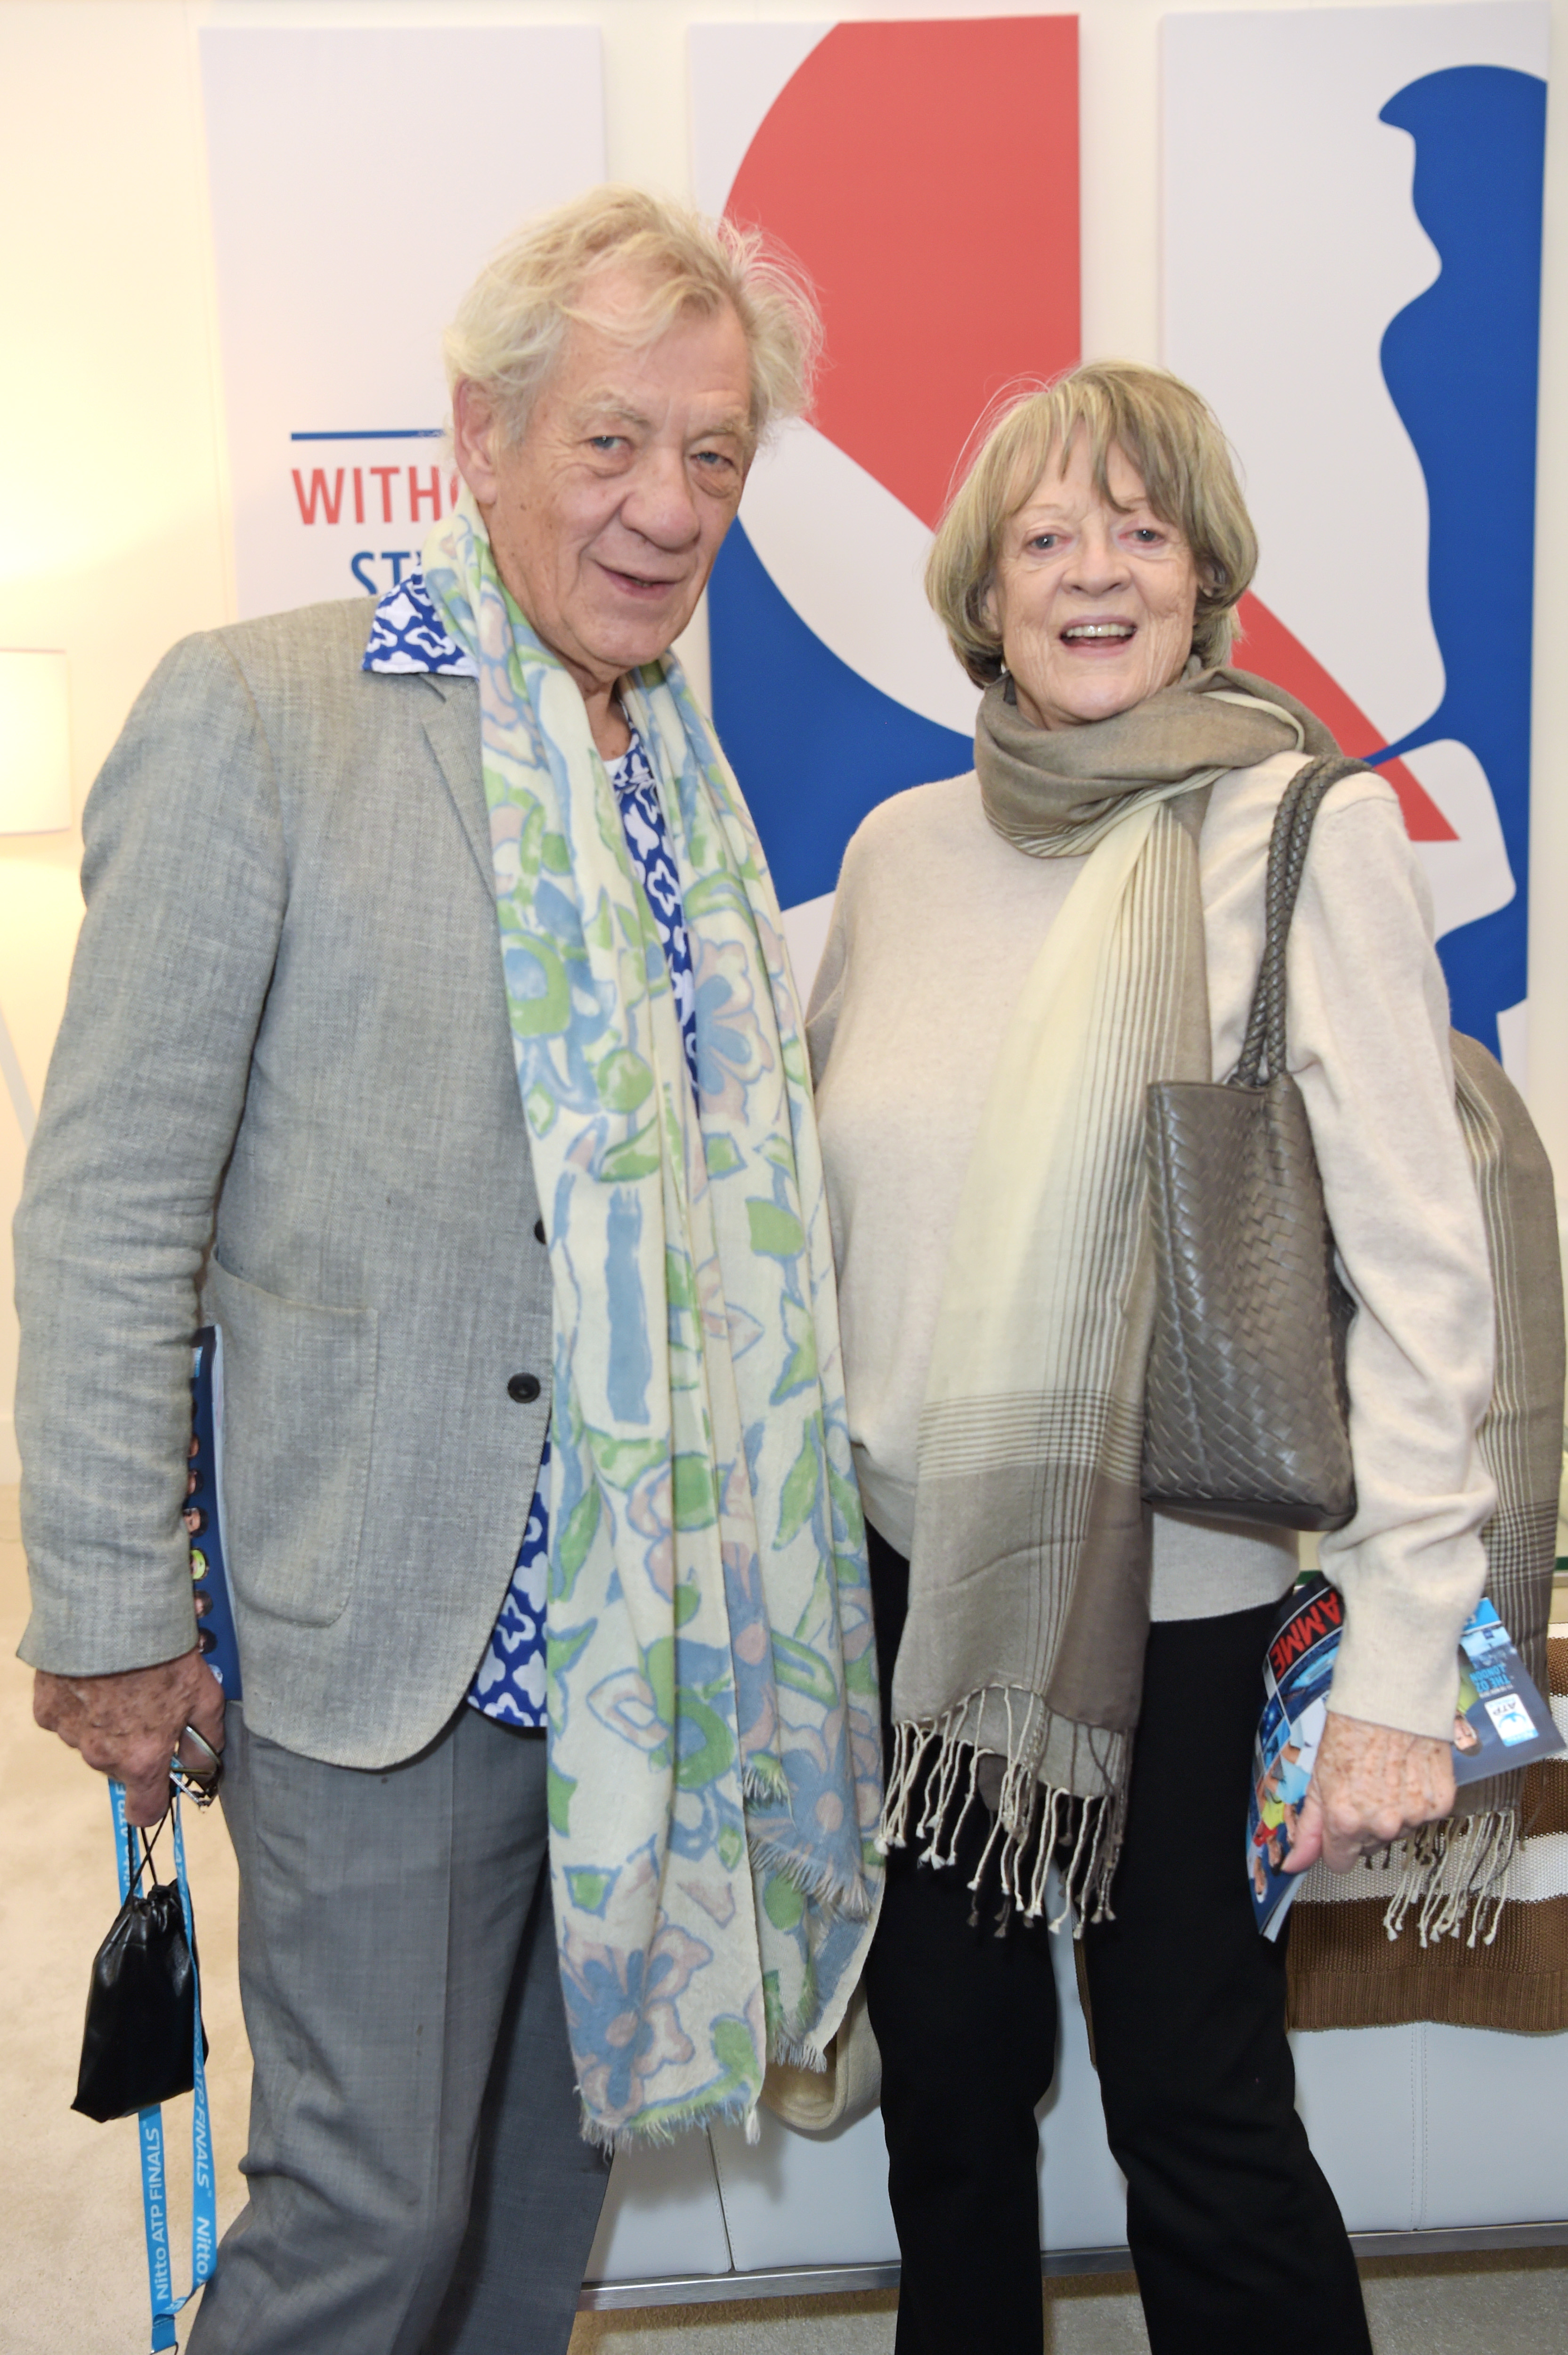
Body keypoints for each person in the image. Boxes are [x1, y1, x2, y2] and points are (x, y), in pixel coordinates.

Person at [17, 187, 880, 2355]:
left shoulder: (685, 777)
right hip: (384, 1641)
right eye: (609, 440)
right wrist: (112, 1610)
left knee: (518, 2242)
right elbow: (110, 1200)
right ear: (476, 434)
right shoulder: (265, 711)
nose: (662, 503)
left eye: (709, 454)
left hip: (638, 1655)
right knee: (367, 2229)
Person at [806, 360, 1495, 2354]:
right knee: (941, 2088)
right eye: (1043, 537)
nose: (1090, 570)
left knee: (1189, 2097)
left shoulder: (1297, 833)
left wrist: (1392, 1666)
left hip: (1179, 1605)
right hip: (905, 1584)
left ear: (1206, 580)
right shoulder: (895, 853)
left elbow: (1420, 1272)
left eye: (1137, 528)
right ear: (981, 593)